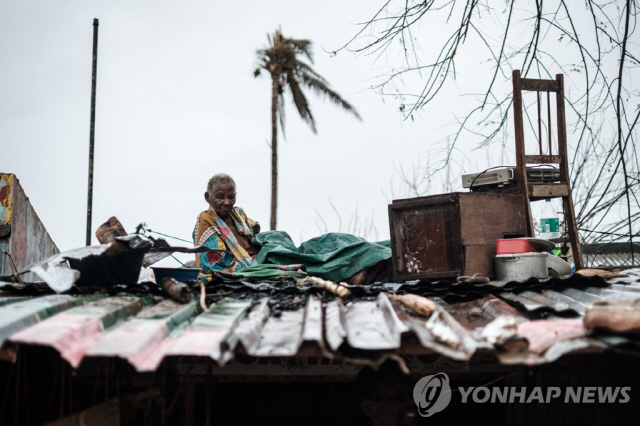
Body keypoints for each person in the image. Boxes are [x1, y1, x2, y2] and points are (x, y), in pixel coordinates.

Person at [193, 173, 260, 275]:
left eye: (231, 197)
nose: (227, 202)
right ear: (208, 197)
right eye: (220, 197)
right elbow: (214, 264)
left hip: (258, 263)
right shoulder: (206, 220)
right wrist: (254, 263)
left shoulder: (240, 214)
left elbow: (256, 235)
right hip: (241, 270)